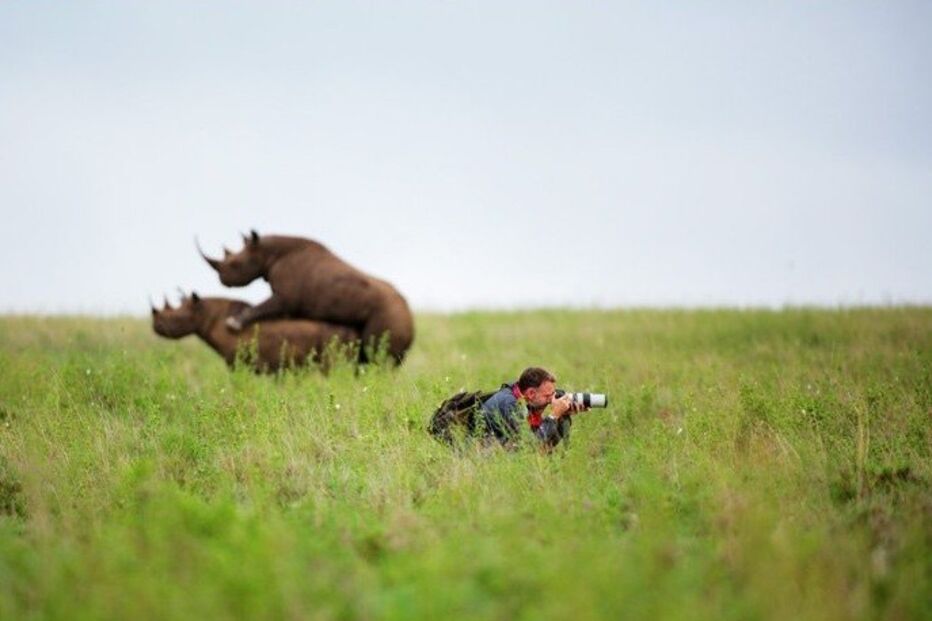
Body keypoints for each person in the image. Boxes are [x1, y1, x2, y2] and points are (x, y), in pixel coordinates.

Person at [480, 366, 586, 450]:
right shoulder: (509, 403)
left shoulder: (521, 398)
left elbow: (546, 446)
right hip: (479, 454)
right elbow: (531, 445)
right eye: (548, 396)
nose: (551, 400)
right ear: (531, 393)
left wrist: (563, 416)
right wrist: (554, 415)